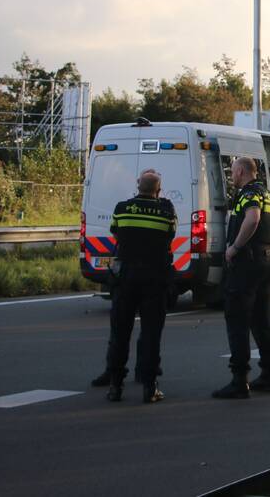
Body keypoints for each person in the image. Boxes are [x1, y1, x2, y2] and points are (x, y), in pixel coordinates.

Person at [102, 170, 177, 403]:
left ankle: (115, 385)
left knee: (120, 333)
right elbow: (171, 234)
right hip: (154, 278)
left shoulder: (122, 208)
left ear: (138, 186)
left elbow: (115, 232)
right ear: (158, 189)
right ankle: (149, 386)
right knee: (151, 334)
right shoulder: (166, 212)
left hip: (126, 278)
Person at [212, 157, 270, 399]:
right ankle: (268, 374)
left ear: (241, 171)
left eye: (233, 172)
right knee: (262, 319)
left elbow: (252, 219)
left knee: (238, 320)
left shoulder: (249, 193)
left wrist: (234, 248)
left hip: (247, 263)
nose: (232, 176)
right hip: (267, 260)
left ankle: (239, 379)